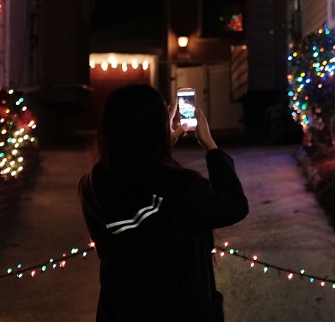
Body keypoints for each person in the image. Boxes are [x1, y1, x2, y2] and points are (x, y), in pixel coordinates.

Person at [79, 84, 248, 321]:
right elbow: (234, 205)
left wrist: (160, 148)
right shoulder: (179, 188)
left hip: (118, 311)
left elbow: (142, 186)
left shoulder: (91, 184)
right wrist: (210, 145)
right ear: (156, 128)